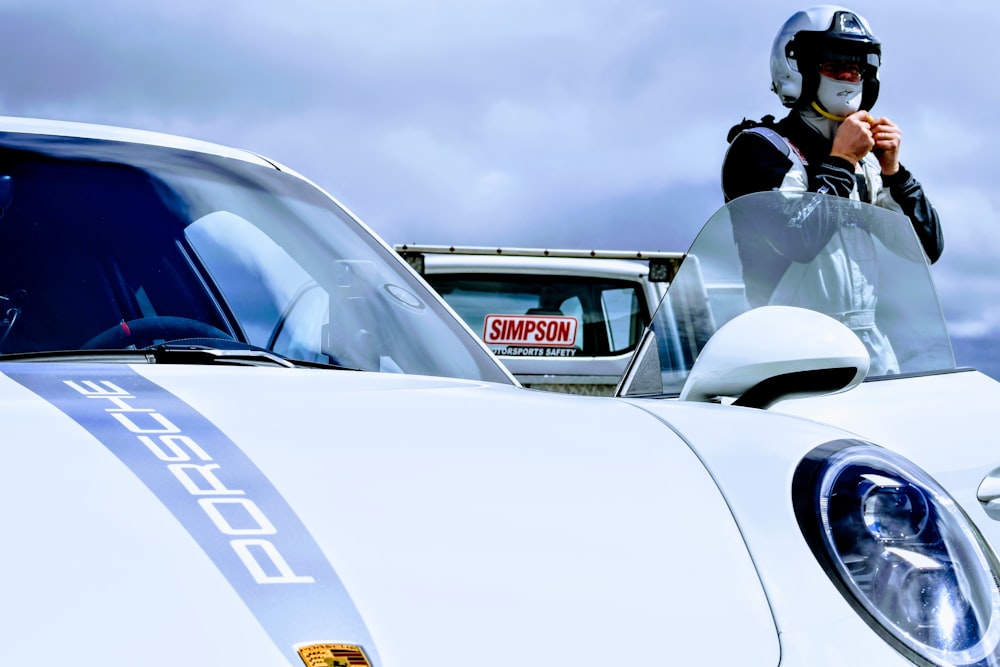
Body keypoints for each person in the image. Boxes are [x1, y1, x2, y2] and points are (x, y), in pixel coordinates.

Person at [721, 5, 944, 374]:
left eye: (855, 69)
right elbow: (799, 241)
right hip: (789, 347)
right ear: (798, 69)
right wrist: (841, 161)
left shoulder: (866, 161)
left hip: (868, 345)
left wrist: (894, 172)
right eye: (833, 66)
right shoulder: (759, 149)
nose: (846, 76)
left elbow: (925, 251)